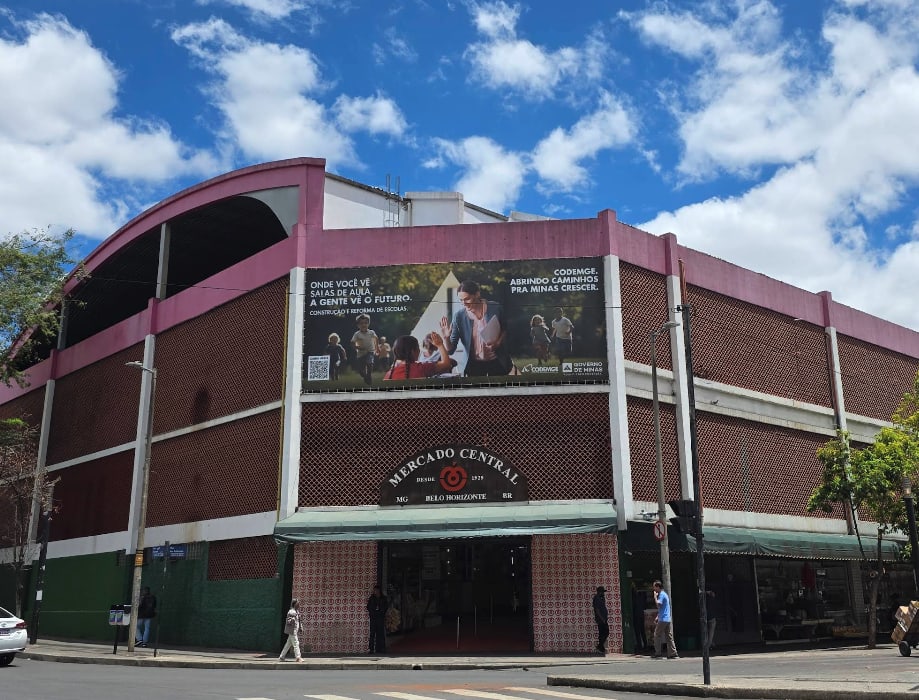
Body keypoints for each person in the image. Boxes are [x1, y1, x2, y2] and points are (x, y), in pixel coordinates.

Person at [440, 280, 515, 376]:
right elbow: (450, 351)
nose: (464, 303)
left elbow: (505, 329)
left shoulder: (495, 308)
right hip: (474, 366)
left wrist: (498, 342)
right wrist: (446, 338)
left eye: (467, 299)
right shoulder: (459, 316)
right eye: (461, 300)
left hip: (497, 362)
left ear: (477, 294)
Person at [384, 333, 455, 380]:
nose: (419, 351)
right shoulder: (423, 368)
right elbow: (446, 365)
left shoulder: (388, 375)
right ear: (412, 351)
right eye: (418, 348)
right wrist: (440, 344)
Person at [351, 313, 379, 385]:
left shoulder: (371, 332)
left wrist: (377, 348)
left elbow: (376, 338)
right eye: (361, 323)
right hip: (360, 354)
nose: (364, 325)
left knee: (370, 363)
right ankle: (365, 376)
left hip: (370, 351)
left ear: (368, 324)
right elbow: (352, 343)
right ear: (358, 325)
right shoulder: (357, 334)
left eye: (366, 323)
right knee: (361, 370)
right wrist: (358, 347)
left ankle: (369, 375)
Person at [652, 580, 678, 659]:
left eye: (654, 587)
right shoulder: (664, 594)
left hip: (663, 619)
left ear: (658, 587)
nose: (654, 589)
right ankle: (673, 653)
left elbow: (658, 604)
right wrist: (657, 616)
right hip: (667, 618)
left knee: (657, 635)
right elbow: (663, 608)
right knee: (668, 636)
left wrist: (655, 597)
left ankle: (658, 653)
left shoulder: (662, 595)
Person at [367, 585, 388, 653]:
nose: (374, 591)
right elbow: (368, 607)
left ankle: (381, 648)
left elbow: (386, 607)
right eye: (374, 590)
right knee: (372, 633)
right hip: (373, 618)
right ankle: (371, 649)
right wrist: (372, 612)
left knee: (380, 634)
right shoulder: (372, 598)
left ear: (379, 590)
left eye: (376, 590)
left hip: (380, 618)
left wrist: (382, 612)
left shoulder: (383, 598)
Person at [592, 586, 609, 655]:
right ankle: (600, 647)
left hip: (603, 619)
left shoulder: (601, 598)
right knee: (604, 633)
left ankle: (600, 647)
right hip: (601, 620)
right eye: (602, 592)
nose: (603, 593)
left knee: (604, 633)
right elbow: (597, 610)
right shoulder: (597, 598)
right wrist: (602, 619)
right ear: (600, 592)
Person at [632, 582, 648, 651]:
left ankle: (640, 646)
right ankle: (645, 645)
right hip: (641, 613)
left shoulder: (635, 596)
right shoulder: (642, 595)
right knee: (642, 631)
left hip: (637, 614)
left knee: (638, 631)